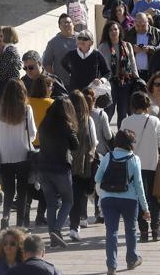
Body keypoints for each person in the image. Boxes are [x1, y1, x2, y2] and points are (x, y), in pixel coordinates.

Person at [94, 129, 149, 274]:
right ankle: (132, 259)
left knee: (111, 231)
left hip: (108, 199)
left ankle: (111, 265)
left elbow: (97, 179)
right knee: (130, 230)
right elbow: (139, 186)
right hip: (129, 200)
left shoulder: (107, 156)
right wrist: (145, 208)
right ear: (130, 143)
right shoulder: (134, 159)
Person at [120, 91, 160, 242]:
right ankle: (156, 229)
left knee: (139, 198)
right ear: (147, 105)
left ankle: (143, 231)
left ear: (132, 105)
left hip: (133, 165)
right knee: (155, 198)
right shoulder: (155, 121)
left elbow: (121, 144)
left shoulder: (125, 122)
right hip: (152, 165)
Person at [36, 97, 79, 249]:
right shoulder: (66, 125)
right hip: (60, 168)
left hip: (43, 168)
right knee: (68, 201)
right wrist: (72, 130)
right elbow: (75, 145)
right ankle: (56, 229)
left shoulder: (44, 123)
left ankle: (53, 238)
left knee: (51, 203)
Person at [0, 80, 38, 230]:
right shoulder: (27, 109)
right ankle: (20, 224)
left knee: (8, 191)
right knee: (22, 191)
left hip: (5, 156)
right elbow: (32, 134)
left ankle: (5, 216)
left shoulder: (0, 110)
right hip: (23, 156)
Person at [67, 90, 99, 241]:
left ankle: (73, 225)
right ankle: (77, 224)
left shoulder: (65, 120)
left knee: (71, 196)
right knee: (80, 195)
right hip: (83, 164)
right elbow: (94, 142)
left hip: (67, 164)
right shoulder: (88, 120)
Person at [99, 20, 138, 122]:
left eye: (115, 29)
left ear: (120, 31)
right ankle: (106, 136)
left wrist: (137, 80)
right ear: (107, 33)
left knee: (123, 113)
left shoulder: (127, 45)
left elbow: (133, 64)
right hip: (109, 84)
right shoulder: (103, 47)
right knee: (109, 112)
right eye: (110, 30)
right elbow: (99, 66)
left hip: (125, 84)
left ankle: (121, 136)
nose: (113, 32)